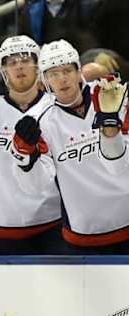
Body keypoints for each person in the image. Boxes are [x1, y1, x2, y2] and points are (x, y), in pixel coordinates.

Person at [11, 39, 129, 254]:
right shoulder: (37, 121)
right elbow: (35, 188)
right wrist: (26, 159)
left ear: (78, 72)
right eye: (53, 74)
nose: (62, 79)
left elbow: (119, 168)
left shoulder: (112, 95)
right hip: (84, 234)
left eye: (67, 71)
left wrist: (111, 125)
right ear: (44, 80)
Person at [0, 35, 63, 255]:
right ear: (2, 69)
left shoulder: (57, 107)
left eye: (25, 60)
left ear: (38, 65)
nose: (19, 67)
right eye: (12, 62)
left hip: (52, 226)